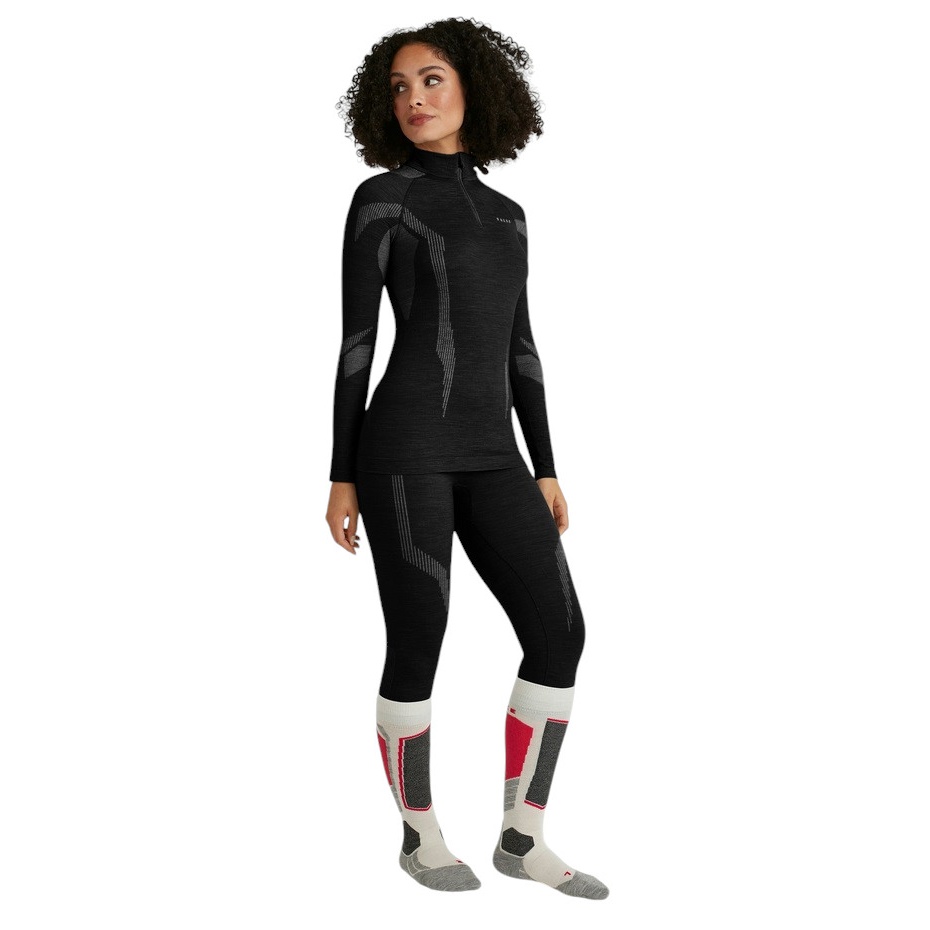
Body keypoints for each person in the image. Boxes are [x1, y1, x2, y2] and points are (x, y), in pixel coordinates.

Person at [325, 17, 608, 900]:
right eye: (399, 87)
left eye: (431, 80)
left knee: (561, 633)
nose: (414, 99)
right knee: (420, 639)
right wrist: (340, 472)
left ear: (472, 88)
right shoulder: (383, 199)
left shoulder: (509, 215)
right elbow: (357, 345)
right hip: (403, 450)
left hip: (495, 454)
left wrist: (546, 464)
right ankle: (419, 836)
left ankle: (523, 838)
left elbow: (521, 346)